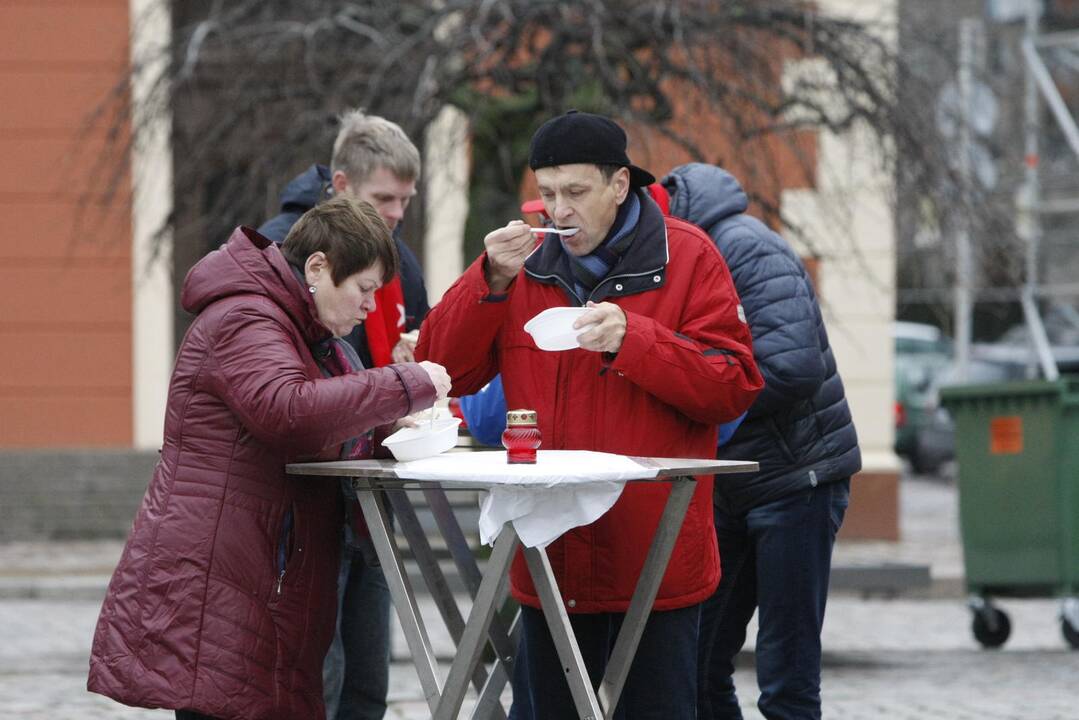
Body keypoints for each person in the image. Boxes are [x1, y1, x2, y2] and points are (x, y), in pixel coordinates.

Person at [416, 111, 764, 719]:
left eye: (576, 192)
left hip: (654, 566)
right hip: (552, 563)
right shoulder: (521, 266)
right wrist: (488, 280)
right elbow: (438, 370)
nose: (559, 210)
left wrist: (637, 339)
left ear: (619, 185)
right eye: (547, 194)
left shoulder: (688, 256)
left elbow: (732, 385)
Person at [87, 196, 451, 720]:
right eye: (364, 289)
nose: (371, 307)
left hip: (256, 574)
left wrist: (389, 424)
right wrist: (404, 384)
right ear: (318, 267)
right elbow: (289, 412)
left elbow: (323, 422)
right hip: (221, 583)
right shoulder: (246, 318)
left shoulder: (305, 331)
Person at [658, 162, 861, 720]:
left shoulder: (745, 246)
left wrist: (700, 406)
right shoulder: (676, 257)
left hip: (798, 478)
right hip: (732, 480)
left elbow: (793, 366)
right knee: (698, 662)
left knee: (786, 674)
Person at [258, 109, 427, 720]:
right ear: (342, 185)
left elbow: (415, 342)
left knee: (366, 684)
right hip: (309, 507)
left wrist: (415, 359)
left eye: (406, 200)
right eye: (385, 197)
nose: (398, 213)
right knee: (313, 682)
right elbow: (296, 396)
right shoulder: (280, 251)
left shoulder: (398, 257)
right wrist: (392, 386)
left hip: (371, 496)